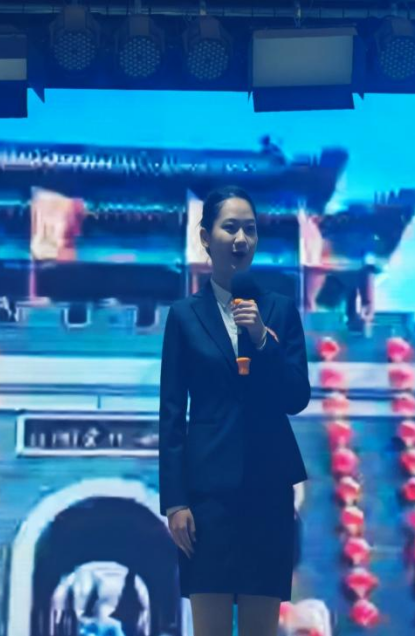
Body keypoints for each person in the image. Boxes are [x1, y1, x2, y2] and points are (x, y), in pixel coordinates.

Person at [158, 186, 311, 636]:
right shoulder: (184, 317)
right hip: (208, 497)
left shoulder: (280, 312)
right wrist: (176, 501)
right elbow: (172, 414)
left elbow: (296, 397)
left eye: (250, 229)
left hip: (268, 491)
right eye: (230, 228)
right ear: (207, 238)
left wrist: (263, 340)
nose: (241, 239)